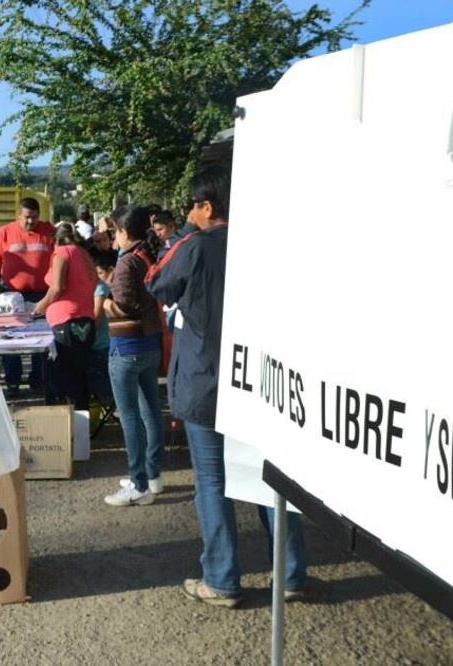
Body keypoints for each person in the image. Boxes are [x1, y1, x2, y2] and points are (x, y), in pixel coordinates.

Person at [146, 166, 308, 607]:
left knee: (213, 482)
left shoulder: (193, 245)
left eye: (192, 207)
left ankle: (221, 579)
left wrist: (179, 236)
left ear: (207, 206)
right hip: (260, 381)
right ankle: (291, 573)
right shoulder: (266, 243)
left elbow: (156, 283)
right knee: (271, 481)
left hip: (206, 379)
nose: (188, 215)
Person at [98, 207, 164, 506]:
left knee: (130, 418)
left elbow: (124, 306)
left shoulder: (126, 263)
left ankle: (137, 484)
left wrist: (105, 304)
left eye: (114, 231)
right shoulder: (148, 256)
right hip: (151, 344)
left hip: (126, 347)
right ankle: (152, 476)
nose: (113, 237)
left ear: (124, 232)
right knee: (151, 412)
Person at [0, 197, 55, 394]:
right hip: (11, 296)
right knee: (11, 341)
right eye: (26, 217)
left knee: (41, 339)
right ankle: (13, 381)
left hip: (41, 295)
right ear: (18, 215)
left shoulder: (48, 231)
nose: (30, 222)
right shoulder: (5, 232)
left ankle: (39, 380)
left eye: (34, 217)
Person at [32, 222, 97, 410]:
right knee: (79, 378)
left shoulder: (61, 253)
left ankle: (65, 426)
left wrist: (39, 307)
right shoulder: (84, 254)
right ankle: (82, 426)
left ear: (56, 240)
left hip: (66, 322)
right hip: (85, 319)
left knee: (63, 378)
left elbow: (58, 287)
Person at [88, 251, 115, 408]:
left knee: (102, 383)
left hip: (100, 343)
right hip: (97, 342)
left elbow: (97, 318)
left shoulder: (101, 288)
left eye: (100, 272)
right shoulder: (93, 286)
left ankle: (107, 399)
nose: (96, 275)